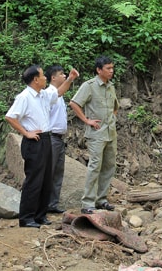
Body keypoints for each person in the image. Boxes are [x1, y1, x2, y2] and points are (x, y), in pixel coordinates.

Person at [5, 65, 79, 228]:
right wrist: (26, 132)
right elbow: (10, 117)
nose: (46, 78)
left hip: (46, 138)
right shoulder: (24, 97)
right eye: (42, 76)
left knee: (46, 178)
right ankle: (27, 217)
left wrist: (70, 79)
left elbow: (59, 92)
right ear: (35, 79)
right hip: (34, 141)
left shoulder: (43, 94)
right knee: (34, 179)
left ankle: (40, 215)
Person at [69, 56, 119, 214]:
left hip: (111, 133)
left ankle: (101, 199)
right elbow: (74, 103)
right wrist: (86, 120)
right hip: (96, 134)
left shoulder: (110, 86)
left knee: (109, 166)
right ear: (99, 70)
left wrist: (112, 119)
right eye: (108, 68)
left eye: (112, 68)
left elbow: (115, 106)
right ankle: (88, 203)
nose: (111, 71)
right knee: (94, 167)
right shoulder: (89, 86)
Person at [45, 65, 68, 214]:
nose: (64, 76)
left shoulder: (60, 96)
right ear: (53, 77)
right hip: (51, 137)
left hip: (59, 138)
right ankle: (43, 204)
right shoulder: (48, 94)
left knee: (58, 172)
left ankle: (52, 204)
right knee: (49, 171)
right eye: (61, 74)